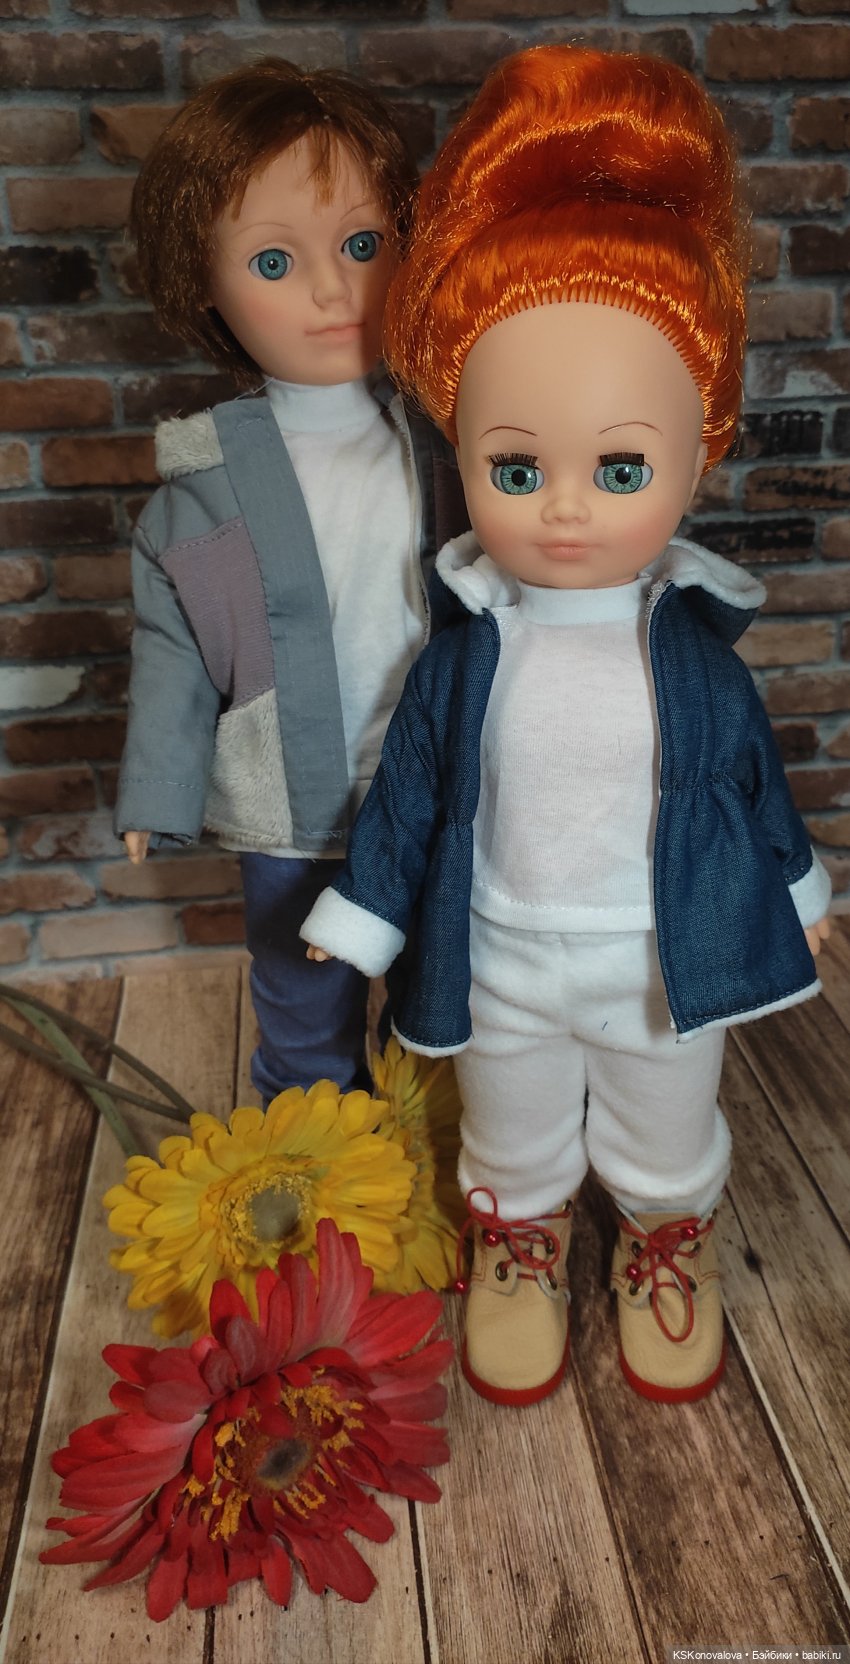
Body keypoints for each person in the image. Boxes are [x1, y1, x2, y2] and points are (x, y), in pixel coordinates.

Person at [300, 44, 832, 1407]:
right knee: (510, 1108)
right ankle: (519, 1236)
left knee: (666, 1108)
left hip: (669, 948)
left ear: (697, 454)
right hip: (501, 948)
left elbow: (752, 784)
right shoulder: (463, 655)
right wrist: (364, 918)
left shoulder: (696, 662)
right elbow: (411, 792)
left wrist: (795, 886)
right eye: (517, 466)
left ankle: (664, 1233)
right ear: (463, 453)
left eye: (621, 465)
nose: (568, 507)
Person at [114, 58, 468, 1106]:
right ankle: (316, 1150)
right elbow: (172, 644)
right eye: (274, 260)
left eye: (363, 245)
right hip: (290, 802)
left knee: (440, 990)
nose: (331, 289)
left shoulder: (455, 437)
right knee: (300, 998)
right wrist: (158, 786)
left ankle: (435, 1138)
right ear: (204, 283)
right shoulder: (206, 481)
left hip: (437, 786)